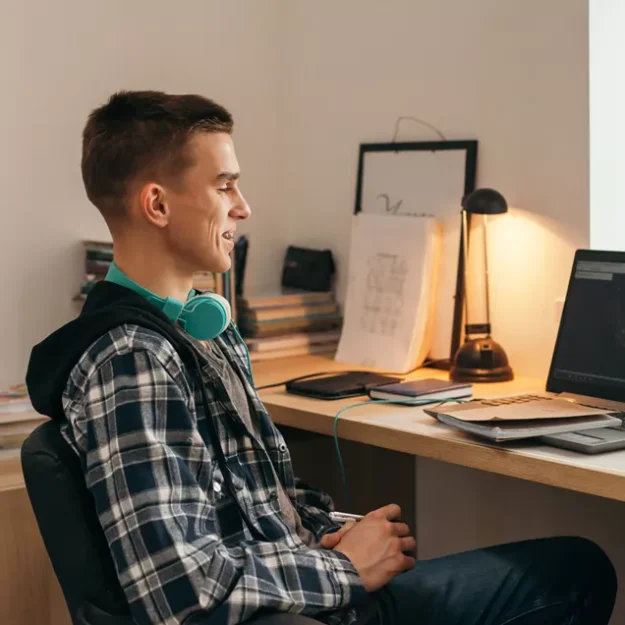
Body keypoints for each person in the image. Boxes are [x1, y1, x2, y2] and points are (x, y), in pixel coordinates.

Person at [26, 91, 616, 625]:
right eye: (224, 185)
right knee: (575, 573)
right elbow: (180, 592)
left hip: (300, 586)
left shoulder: (202, 328)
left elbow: (256, 500)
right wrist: (347, 570)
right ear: (156, 204)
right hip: (302, 609)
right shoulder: (134, 358)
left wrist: (335, 532)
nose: (244, 208)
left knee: (571, 565)